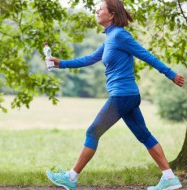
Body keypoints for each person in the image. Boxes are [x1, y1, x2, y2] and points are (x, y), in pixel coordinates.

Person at [45, 0, 185, 190]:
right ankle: (169, 178)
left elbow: (146, 55)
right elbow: (90, 59)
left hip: (122, 96)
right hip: (127, 96)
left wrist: (170, 74)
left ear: (111, 14)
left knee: (93, 132)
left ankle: (71, 177)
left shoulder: (120, 35)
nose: (97, 11)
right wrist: (61, 63)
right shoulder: (110, 38)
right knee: (144, 135)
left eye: (100, 8)